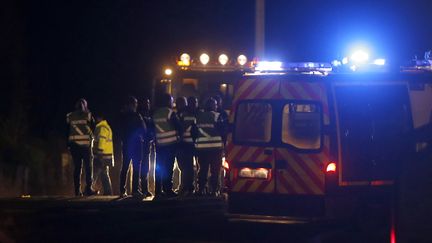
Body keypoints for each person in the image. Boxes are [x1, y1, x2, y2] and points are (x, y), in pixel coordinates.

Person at [193, 97, 224, 196]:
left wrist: (197, 141)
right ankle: (214, 190)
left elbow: (193, 132)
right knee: (215, 171)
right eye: (215, 105)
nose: (216, 106)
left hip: (202, 149)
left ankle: (201, 189)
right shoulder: (217, 116)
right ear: (213, 106)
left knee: (203, 170)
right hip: (216, 149)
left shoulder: (198, 116)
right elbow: (223, 131)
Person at [66, 98, 97, 196]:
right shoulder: (88, 115)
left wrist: (68, 144)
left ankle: (77, 190)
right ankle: (88, 188)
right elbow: (93, 126)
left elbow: (66, 130)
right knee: (88, 167)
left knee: (77, 168)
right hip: (86, 146)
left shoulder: (70, 116)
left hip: (74, 146)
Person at [153, 93, 181, 198]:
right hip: (170, 144)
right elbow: (178, 126)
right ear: (168, 101)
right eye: (171, 100)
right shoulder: (170, 112)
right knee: (168, 168)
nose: (172, 102)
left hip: (159, 144)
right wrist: (179, 136)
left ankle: (157, 191)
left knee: (159, 168)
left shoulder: (155, 113)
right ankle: (168, 189)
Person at [118, 96, 147, 198]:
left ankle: (122, 190)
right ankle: (135, 190)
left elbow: (119, 131)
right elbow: (144, 129)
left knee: (125, 167)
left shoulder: (122, 116)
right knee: (136, 168)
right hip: (137, 145)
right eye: (135, 103)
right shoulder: (137, 116)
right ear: (132, 105)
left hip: (126, 144)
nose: (136, 105)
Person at [176, 97, 196, 196]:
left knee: (186, 166)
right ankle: (188, 186)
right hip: (186, 143)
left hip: (186, 144)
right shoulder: (182, 113)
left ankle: (186, 187)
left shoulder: (185, 114)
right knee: (186, 166)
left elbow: (182, 128)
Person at [92, 112, 114, 195]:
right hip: (106, 155)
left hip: (102, 155)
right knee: (104, 173)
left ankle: (90, 188)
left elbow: (101, 140)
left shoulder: (101, 127)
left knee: (96, 172)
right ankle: (108, 191)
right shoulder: (106, 126)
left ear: (99, 118)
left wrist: (99, 153)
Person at [138, 97, 155, 198]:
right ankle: (141, 189)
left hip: (147, 145)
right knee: (141, 168)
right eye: (146, 103)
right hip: (141, 145)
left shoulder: (150, 115)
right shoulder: (139, 115)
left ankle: (145, 189)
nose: (148, 105)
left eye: (148, 103)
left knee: (146, 168)